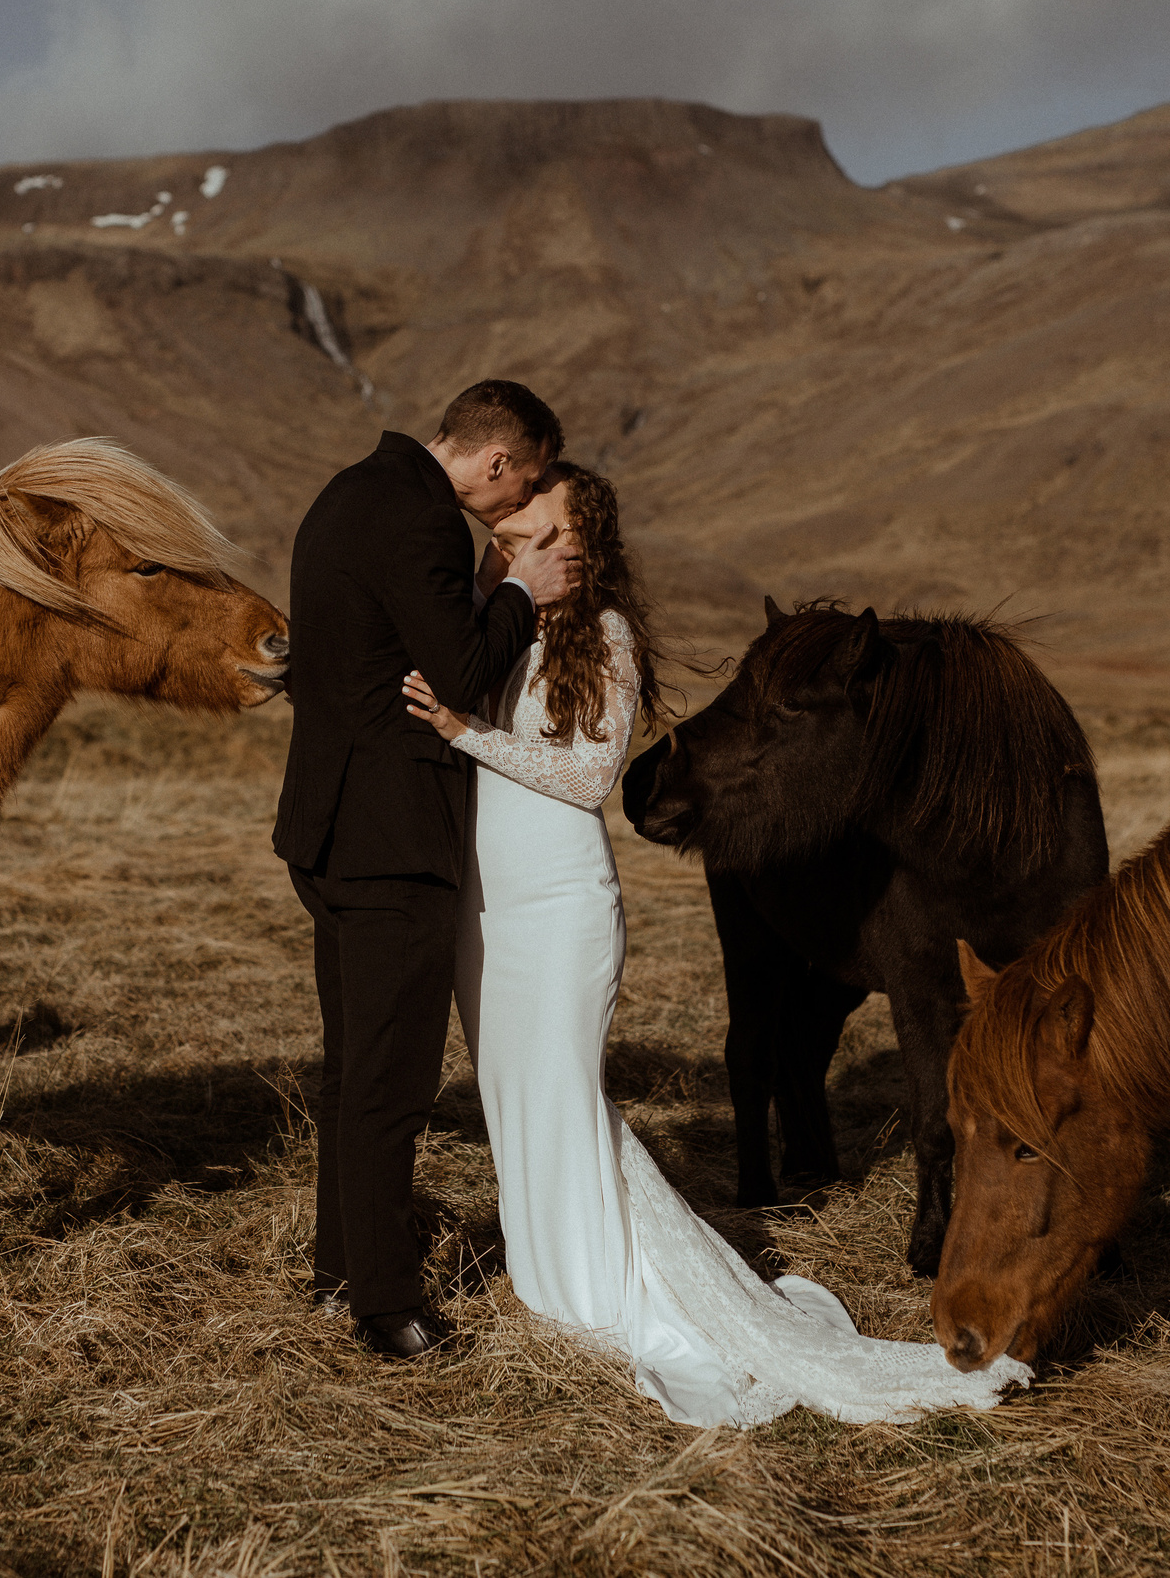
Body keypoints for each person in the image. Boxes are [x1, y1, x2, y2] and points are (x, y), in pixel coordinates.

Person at [401, 463, 1030, 1424]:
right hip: (490, 900)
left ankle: (594, 1299)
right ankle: (550, 1280)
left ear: (578, 536)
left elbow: (586, 778)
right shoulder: (499, 615)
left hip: (560, 901)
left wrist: (461, 731)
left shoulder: (603, 634)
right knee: (512, 1095)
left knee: (562, 1092)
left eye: (540, 507)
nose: (515, 513)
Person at [273, 380, 581, 1359]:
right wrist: (529, 594)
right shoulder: (417, 521)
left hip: (327, 828)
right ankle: (386, 1307)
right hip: (388, 842)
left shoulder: (348, 492)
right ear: (497, 462)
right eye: (522, 482)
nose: (518, 503)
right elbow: (459, 673)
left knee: (352, 1071)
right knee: (390, 1082)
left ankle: (338, 1274)